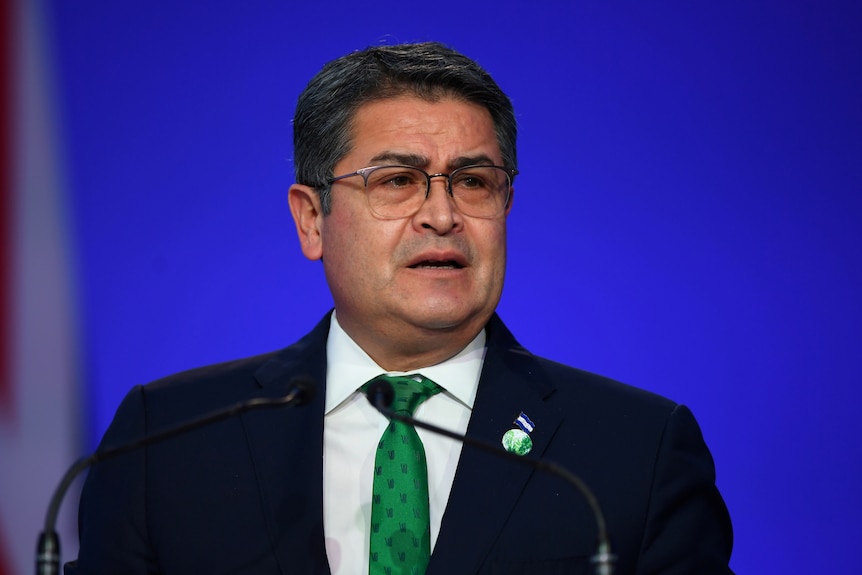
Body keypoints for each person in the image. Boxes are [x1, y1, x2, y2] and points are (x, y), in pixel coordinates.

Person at [67, 42, 734, 574]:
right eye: (397, 181)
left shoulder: (633, 450)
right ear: (311, 220)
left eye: (474, 181)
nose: (442, 214)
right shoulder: (170, 441)